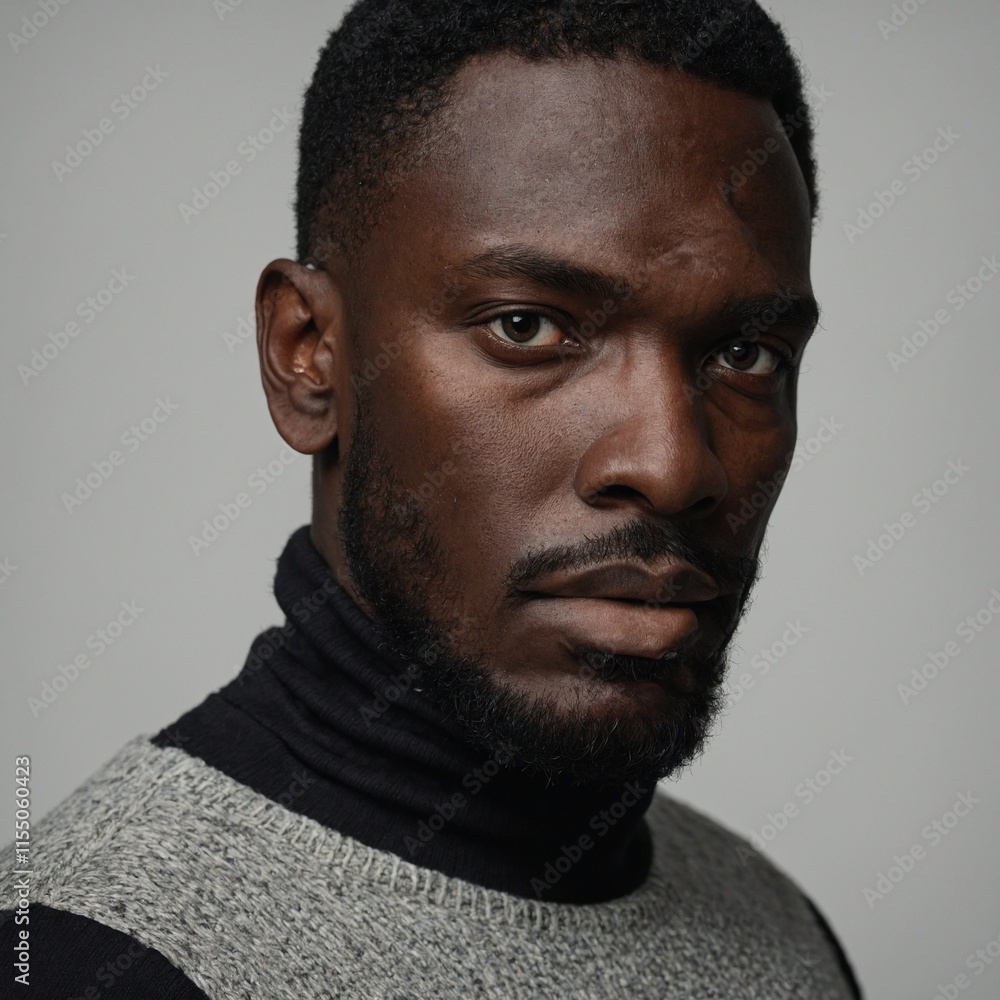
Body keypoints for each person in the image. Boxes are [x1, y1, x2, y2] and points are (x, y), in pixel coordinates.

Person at [2, 1, 863, 996]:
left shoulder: (777, 928)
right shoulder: (82, 958)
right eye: (528, 326)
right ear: (308, 358)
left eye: (745, 354)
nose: (671, 466)